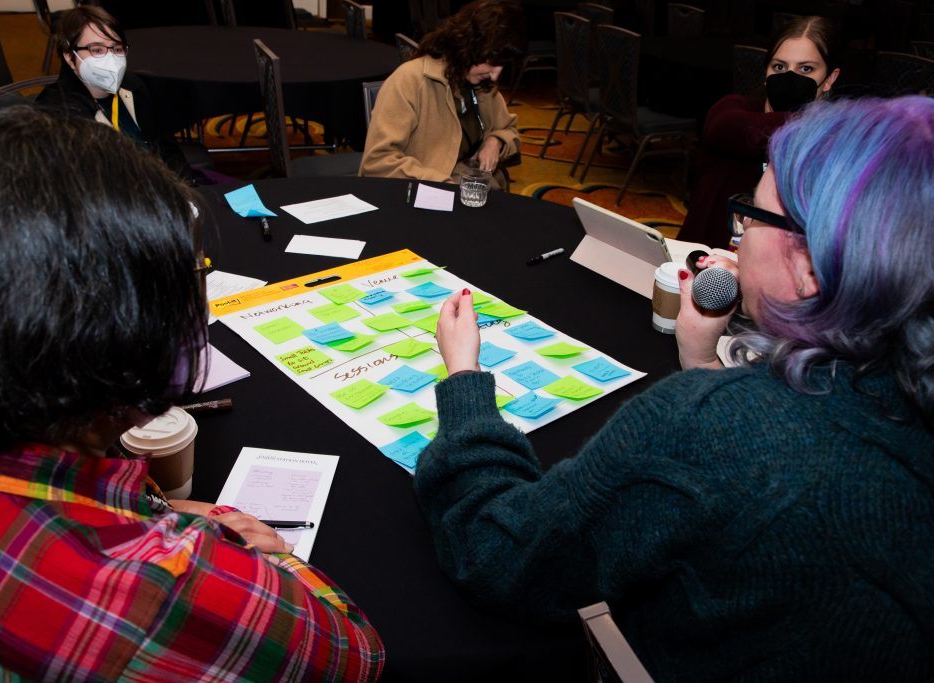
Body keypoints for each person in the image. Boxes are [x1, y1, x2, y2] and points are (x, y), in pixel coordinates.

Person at [415, 96, 934, 680]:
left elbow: (499, 556)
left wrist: (463, 383)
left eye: (753, 217)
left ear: (812, 265)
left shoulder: (710, 426)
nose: (738, 239)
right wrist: (699, 356)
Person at [0, 108, 384, 682]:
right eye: (191, 278)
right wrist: (271, 557)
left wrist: (155, 505)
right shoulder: (160, 585)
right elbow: (354, 655)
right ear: (119, 334)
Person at [678, 15, 840, 248]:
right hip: (702, 256)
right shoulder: (731, 111)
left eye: (806, 69)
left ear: (829, 79)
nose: (790, 77)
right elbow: (742, 133)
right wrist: (816, 124)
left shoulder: (830, 142)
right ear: (766, 72)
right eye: (779, 66)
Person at [359, 0, 525, 190]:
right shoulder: (410, 80)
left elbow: (509, 130)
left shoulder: (482, 84)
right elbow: (377, 161)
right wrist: (440, 183)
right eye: (493, 62)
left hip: (474, 189)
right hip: (422, 194)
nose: (496, 74)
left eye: (503, 65)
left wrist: (495, 141)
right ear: (468, 46)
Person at [36, 5, 204, 185]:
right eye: (97, 50)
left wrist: (186, 188)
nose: (111, 59)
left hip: (162, 188)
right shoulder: (56, 115)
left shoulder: (134, 86)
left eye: (117, 49)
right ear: (70, 57)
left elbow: (166, 148)